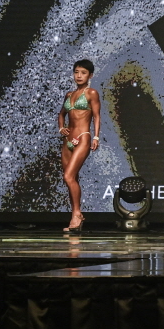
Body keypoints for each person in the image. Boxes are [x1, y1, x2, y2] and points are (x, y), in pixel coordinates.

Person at [57, 59, 100, 232]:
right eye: (76, 72)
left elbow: (96, 116)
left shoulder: (92, 93)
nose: (79, 76)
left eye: (83, 73)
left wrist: (96, 136)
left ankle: (77, 214)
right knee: (72, 179)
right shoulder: (69, 95)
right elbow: (61, 114)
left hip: (83, 138)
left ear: (90, 75)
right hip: (68, 140)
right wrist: (61, 127)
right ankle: (75, 215)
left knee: (68, 176)